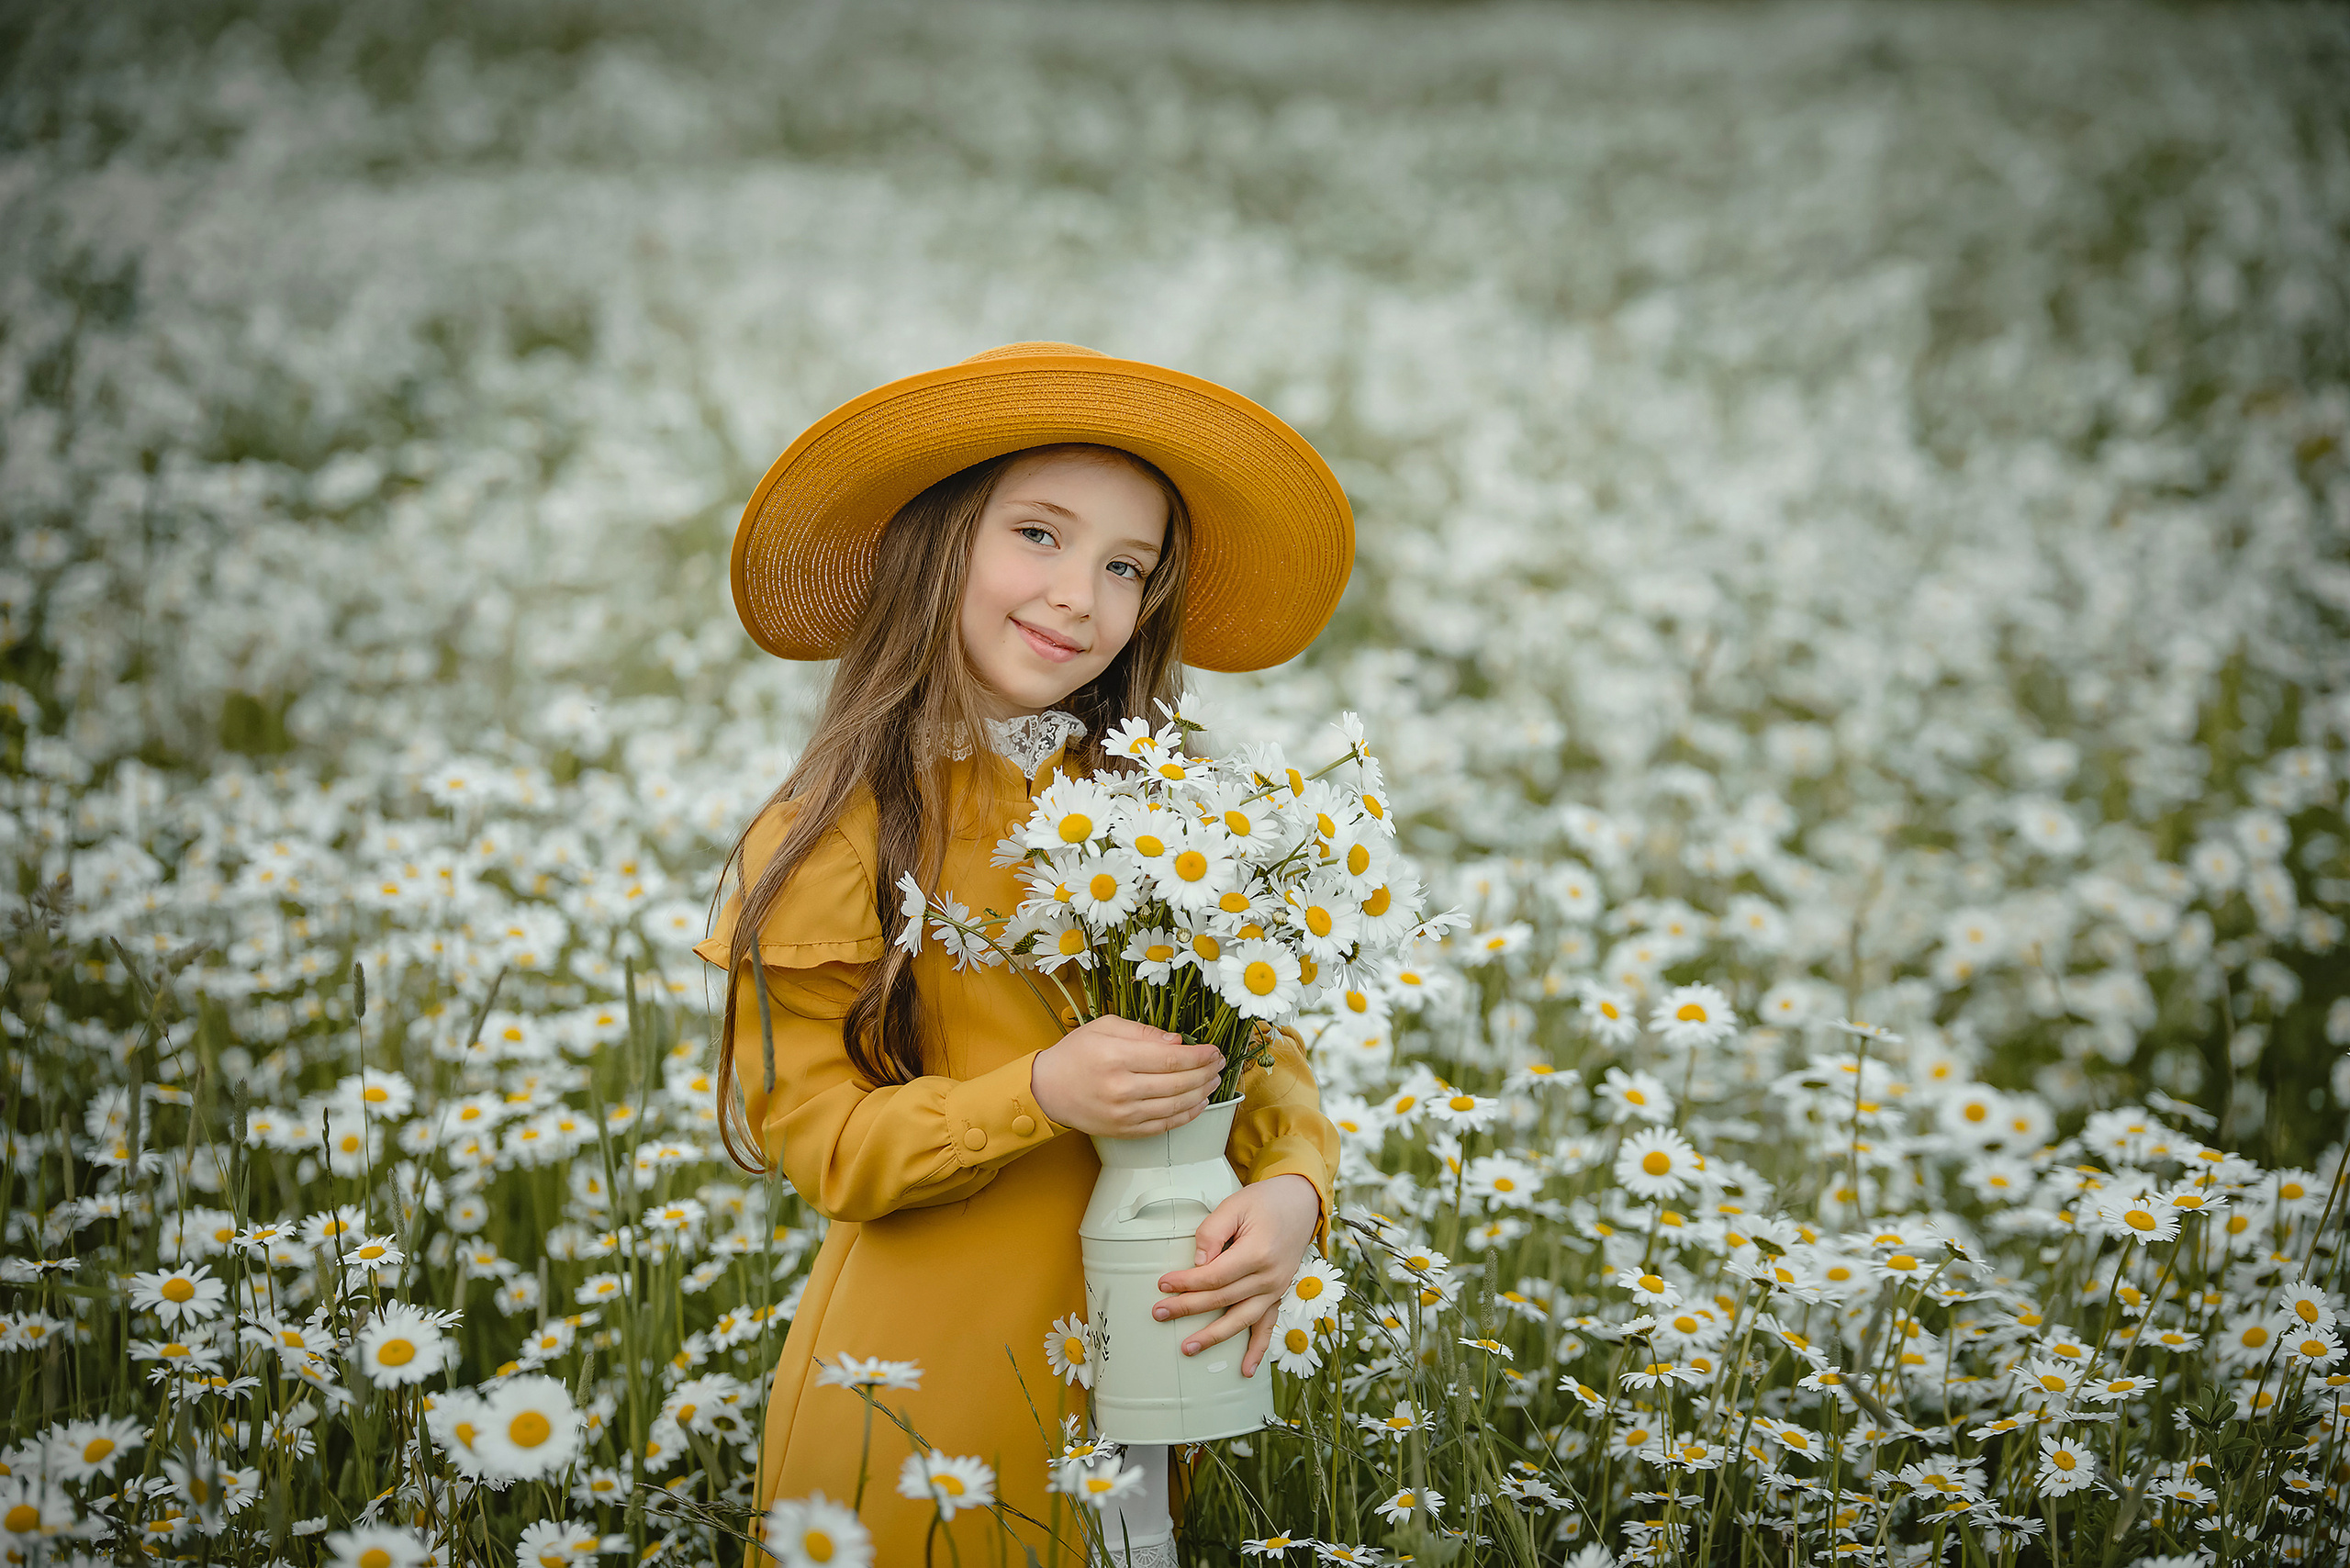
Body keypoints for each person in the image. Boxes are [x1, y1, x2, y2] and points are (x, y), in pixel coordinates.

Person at [695, 342, 1354, 1564]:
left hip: (1148, 1370)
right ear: (936, 543)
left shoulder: (1162, 814)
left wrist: (1292, 1190)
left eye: (1125, 566)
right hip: (923, 1387)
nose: (1078, 596)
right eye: (1039, 535)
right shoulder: (832, 833)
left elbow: (1252, 1050)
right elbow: (827, 1145)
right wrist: (1041, 1093)